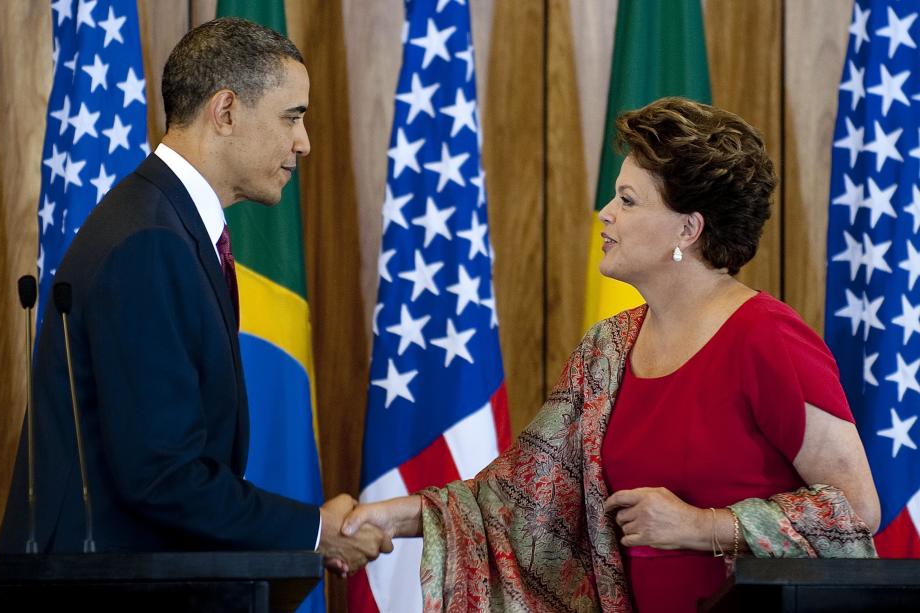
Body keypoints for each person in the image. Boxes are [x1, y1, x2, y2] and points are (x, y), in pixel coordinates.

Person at [341, 97, 880, 611]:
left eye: (627, 200)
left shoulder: (768, 338)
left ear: (688, 229)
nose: (604, 214)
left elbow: (857, 510)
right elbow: (513, 503)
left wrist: (701, 526)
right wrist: (383, 517)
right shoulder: (606, 348)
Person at [0, 17, 390, 575]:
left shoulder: (165, 222)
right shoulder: (150, 242)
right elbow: (162, 475)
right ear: (226, 110)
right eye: (293, 117)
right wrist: (316, 530)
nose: (303, 142)